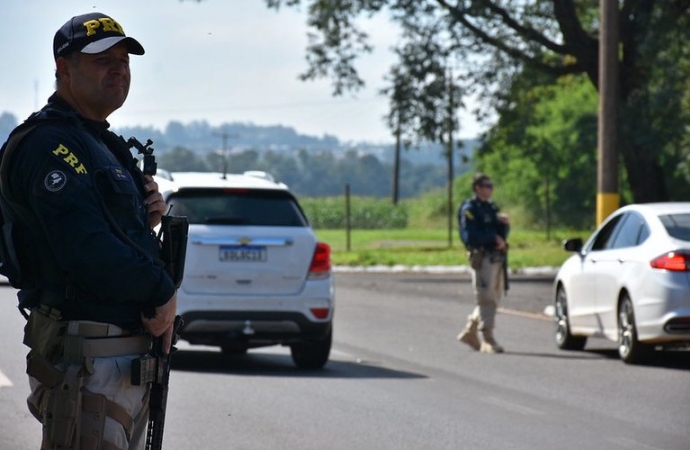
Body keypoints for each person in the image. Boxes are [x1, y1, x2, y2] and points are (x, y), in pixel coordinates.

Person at [0, 13, 177, 450]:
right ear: (63, 68)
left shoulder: (100, 142)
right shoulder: (49, 144)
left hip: (117, 361)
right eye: (102, 59)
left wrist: (143, 219)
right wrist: (161, 290)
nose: (118, 68)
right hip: (89, 361)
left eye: (124, 59)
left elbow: (101, 228)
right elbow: (85, 249)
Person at [456, 173, 509, 354]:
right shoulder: (470, 209)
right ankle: (487, 338)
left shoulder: (490, 208)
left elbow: (500, 233)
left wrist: (503, 225)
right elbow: (469, 236)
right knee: (486, 298)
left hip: (495, 258)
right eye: (487, 185)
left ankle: (470, 331)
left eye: (491, 185)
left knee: (493, 298)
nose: (490, 189)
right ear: (478, 188)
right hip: (482, 257)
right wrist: (492, 238)